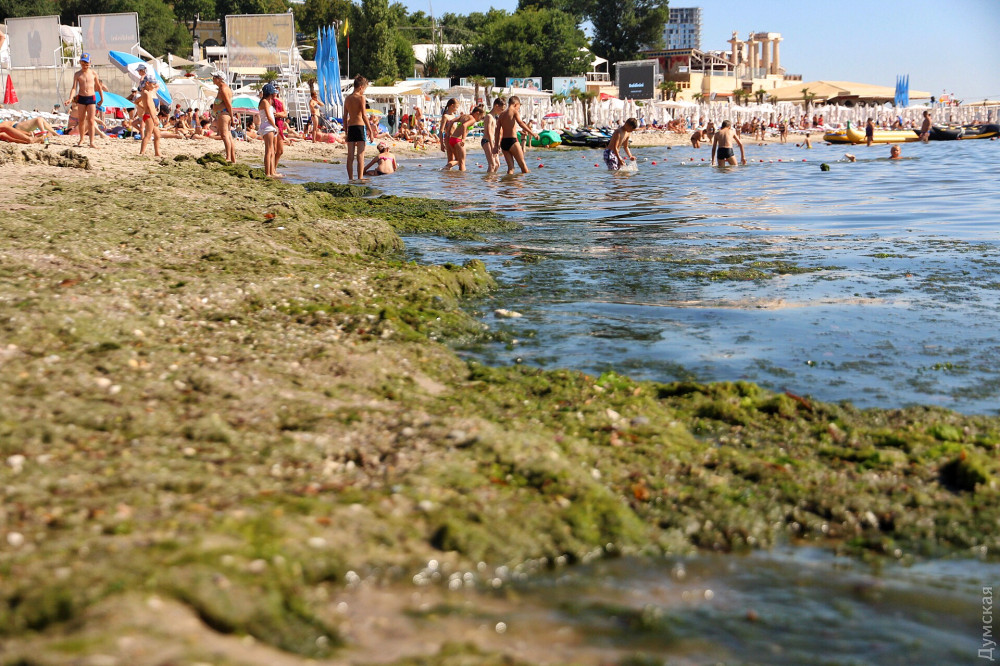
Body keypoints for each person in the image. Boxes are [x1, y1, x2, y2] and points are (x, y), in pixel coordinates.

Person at [65, 53, 104, 148]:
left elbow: (98, 87)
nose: (85, 66)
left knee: (91, 120)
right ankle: (82, 139)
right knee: (81, 120)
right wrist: (70, 98)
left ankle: (92, 142)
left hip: (91, 97)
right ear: (80, 62)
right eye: (83, 63)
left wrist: (102, 98)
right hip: (82, 97)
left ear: (90, 63)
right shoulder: (77, 74)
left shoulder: (93, 73)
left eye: (86, 64)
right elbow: (74, 88)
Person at [344, 74, 377, 180]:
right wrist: (370, 131)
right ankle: (360, 178)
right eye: (364, 89)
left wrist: (346, 131)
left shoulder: (347, 99)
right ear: (361, 87)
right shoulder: (361, 97)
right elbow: (363, 115)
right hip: (360, 126)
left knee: (350, 156)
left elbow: (345, 117)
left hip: (351, 128)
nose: (364, 92)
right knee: (360, 156)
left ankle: (350, 179)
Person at [494, 96, 538, 175]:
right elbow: (521, 123)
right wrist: (532, 133)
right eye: (518, 106)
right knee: (523, 166)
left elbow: (497, 131)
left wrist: (496, 146)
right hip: (512, 141)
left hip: (504, 143)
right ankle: (524, 186)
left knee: (510, 168)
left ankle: (508, 186)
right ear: (515, 104)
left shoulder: (501, 115)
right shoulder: (514, 112)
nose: (518, 109)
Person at [444, 105, 484, 171]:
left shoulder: (464, 116)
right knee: (462, 162)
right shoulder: (472, 119)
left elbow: (451, 121)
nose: (480, 119)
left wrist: (448, 132)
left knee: (458, 160)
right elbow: (464, 125)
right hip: (458, 140)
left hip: (452, 139)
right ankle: (462, 178)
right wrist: (463, 139)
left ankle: (447, 170)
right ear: (477, 113)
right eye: (481, 117)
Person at [211, 71, 235, 162]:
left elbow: (228, 105)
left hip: (224, 114)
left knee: (225, 136)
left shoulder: (224, 89)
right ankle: (232, 159)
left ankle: (228, 157)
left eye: (214, 78)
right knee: (228, 135)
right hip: (223, 113)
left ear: (220, 79)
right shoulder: (221, 88)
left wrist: (232, 118)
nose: (213, 79)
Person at [258, 83, 279, 177]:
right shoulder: (265, 102)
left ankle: (271, 172)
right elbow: (269, 116)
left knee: (271, 150)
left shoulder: (265, 101)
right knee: (269, 150)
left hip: (267, 126)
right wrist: (275, 126)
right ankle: (268, 173)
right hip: (268, 126)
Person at [136, 76, 161, 157]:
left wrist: (143, 107)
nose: (154, 86)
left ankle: (157, 153)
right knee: (148, 134)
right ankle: (142, 152)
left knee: (157, 135)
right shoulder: (146, 93)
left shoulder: (148, 92)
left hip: (151, 115)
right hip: (150, 116)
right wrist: (154, 118)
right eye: (153, 84)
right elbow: (150, 106)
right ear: (147, 83)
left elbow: (136, 101)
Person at [482, 98, 505, 173]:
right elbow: (488, 132)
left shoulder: (494, 117)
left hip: (492, 142)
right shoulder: (489, 116)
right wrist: (492, 146)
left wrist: (497, 144)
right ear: (496, 106)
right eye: (501, 109)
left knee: (497, 164)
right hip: (487, 141)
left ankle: (493, 181)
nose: (502, 111)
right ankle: (488, 183)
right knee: (492, 165)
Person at [439, 98, 459, 166]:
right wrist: (441, 144)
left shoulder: (453, 115)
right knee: (455, 159)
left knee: (453, 159)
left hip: (455, 138)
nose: (457, 109)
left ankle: (448, 174)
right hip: (449, 138)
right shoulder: (445, 116)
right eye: (456, 107)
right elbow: (441, 130)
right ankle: (445, 170)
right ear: (452, 105)